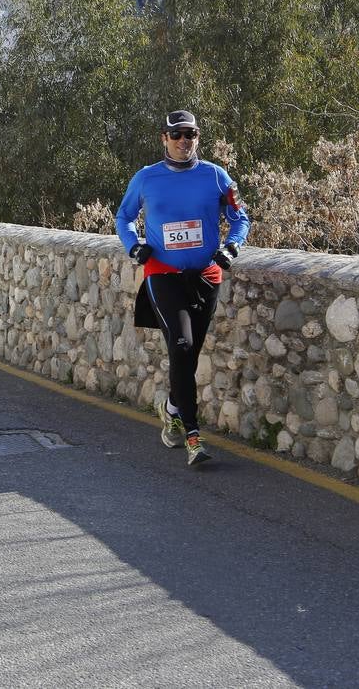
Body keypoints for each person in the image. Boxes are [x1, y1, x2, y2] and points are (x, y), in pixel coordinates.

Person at [116, 110, 250, 467]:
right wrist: (134, 246)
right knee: (182, 344)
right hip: (163, 273)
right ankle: (193, 435)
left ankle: (172, 407)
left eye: (189, 134)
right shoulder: (146, 178)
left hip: (206, 276)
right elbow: (123, 217)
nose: (183, 141)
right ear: (164, 138)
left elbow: (241, 217)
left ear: (197, 137)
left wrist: (231, 247)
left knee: (188, 356)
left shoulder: (216, 175)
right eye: (176, 135)